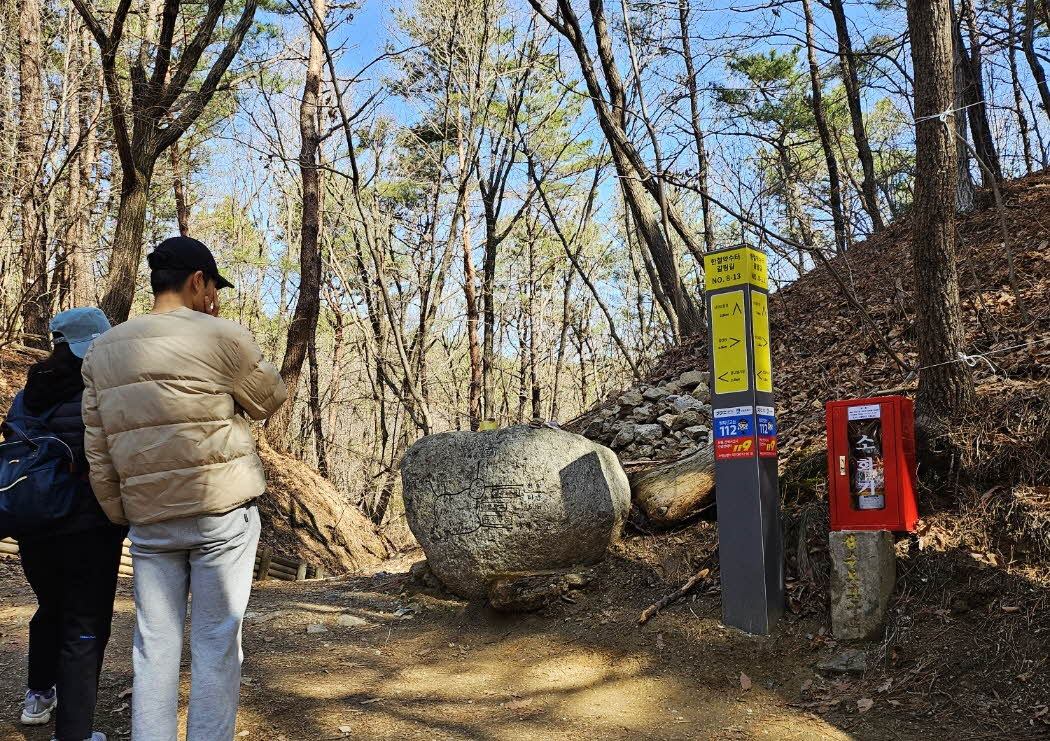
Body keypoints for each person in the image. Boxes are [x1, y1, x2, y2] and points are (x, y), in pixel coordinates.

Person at [81, 237, 287, 741]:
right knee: (218, 642)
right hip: (221, 512)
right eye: (213, 285)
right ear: (200, 280)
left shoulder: (102, 350)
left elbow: (98, 449)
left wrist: (121, 511)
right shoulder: (221, 336)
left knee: (154, 645)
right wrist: (220, 326)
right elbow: (268, 400)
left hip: (149, 520)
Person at [4, 307, 123, 741]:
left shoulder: (30, 390)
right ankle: (73, 734)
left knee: (50, 609)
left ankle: (38, 696)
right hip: (88, 527)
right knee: (85, 626)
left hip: (33, 522)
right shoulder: (101, 390)